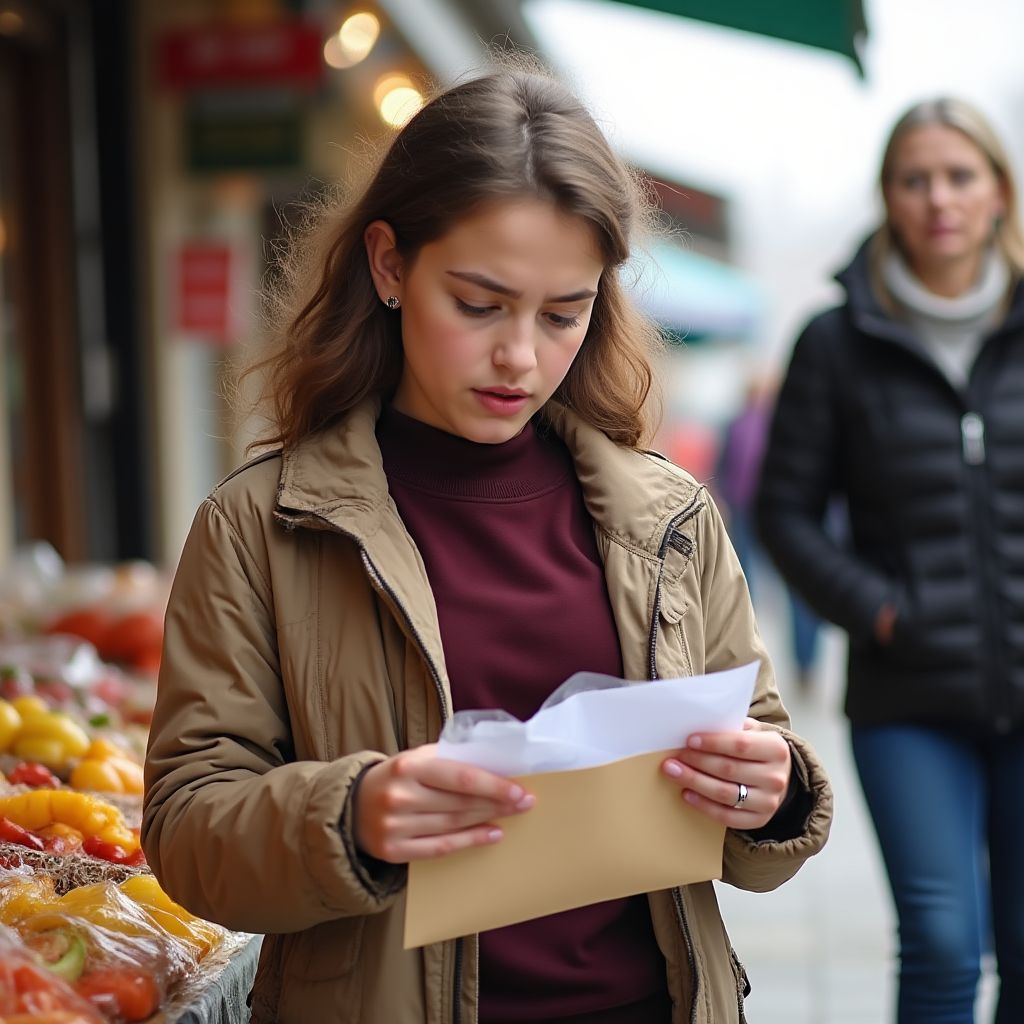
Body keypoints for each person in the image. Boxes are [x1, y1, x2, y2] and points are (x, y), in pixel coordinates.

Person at [142, 62, 832, 1024]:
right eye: (479, 304)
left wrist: (777, 790)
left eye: (565, 314)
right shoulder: (260, 526)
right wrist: (356, 815)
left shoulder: (669, 517)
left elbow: (759, 766)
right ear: (388, 264)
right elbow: (186, 829)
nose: (521, 356)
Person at [756, 97, 1024, 1024]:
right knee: (947, 947)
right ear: (888, 199)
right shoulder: (836, 343)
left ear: (999, 191)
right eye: (915, 179)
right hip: (909, 697)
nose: (938, 198)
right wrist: (879, 611)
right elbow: (783, 512)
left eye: (960, 175)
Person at [713, 376, 820, 693]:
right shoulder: (740, 424)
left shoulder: (784, 424)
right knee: (745, 587)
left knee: (785, 590)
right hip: (749, 513)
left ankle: (799, 662)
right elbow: (723, 469)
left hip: (775, 514)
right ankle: (746, 659)